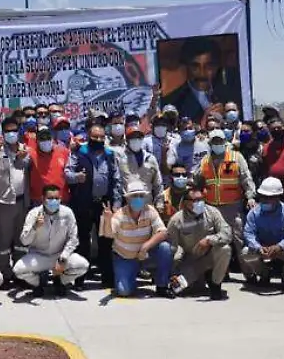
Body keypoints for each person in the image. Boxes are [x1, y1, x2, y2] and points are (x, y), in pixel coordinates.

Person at [65, 121, 124, 288]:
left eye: (101, 137)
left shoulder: (110, 154)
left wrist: (117, 202)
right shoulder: (79, 152)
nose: (98, 139)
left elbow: (117, 180)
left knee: (105, 242)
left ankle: (107, 279)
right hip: (83, 203)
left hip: (104, 204)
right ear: (88, 137)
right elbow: (67, 173)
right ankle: (79, 280)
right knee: (83, 242)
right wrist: (77, 177)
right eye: (94, 137)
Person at [101, 180, 173, 298]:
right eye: (134, 196)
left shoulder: (150, 210)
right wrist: (108, 220)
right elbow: (109, 234)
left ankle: (162, 286)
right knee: (123, 291)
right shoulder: (120, 215)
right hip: (125, 257)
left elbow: (163, 232)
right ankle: (130, 277)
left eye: (141, 196)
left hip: (145, 255)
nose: (138, 198)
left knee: (165, 248)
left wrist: (146, 246)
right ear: (128, 199)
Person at [13, 185, 90, 296]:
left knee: (83, 265)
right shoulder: (34, 213)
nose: (54, 201)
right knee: (18, 270)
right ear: (43, 199)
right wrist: (35, 227)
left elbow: (73, 239)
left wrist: (63, 258)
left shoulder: (67, 213)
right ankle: (38, 283)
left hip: (60, 254)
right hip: (39, 256)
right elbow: (24, 241)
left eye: (56, 198)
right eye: (50, 198)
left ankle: (60, 281)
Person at [0, 116, 31, 284]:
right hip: (3, 202)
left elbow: (26, 166)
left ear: (19, 131)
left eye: (14, 130)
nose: (11, 134)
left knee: (20, 240)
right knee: (3, 240)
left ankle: (20, 272)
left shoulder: (25, 149)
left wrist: (21, 157)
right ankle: (4, 274)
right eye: (8, 131)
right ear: (3, 132)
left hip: (21, 201)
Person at [167, 184, 234, 299]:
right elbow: (171, 248)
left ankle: (215, 285)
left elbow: (227, 233)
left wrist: (209, 239)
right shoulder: (176, 220)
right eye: (196, 200)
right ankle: (201, 278)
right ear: (186, 202)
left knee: (225, 249)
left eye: (201, 199)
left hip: (210, 256)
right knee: (179, 289)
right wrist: (172, 272)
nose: (200, 202)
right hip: (191, 259)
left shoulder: (212, 212)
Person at [193, 131, 256, 251]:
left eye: (220, 141)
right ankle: (220, 268)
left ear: (224, 142)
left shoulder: (236, 157)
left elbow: (246, 178)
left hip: (233, 205)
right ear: (210, 143)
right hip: (212, 206)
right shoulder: (204, 161)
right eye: (214, 142)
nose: (217, 144)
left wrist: (250, 196)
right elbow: (197, 181)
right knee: (216, 238)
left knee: (239, 237)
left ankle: (246, 268)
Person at [240, 177, 284, 290]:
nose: (265, 200)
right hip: (262, 249)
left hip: (283, 249)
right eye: (263, 197)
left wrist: (280, 246)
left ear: (278, 197)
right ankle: (264, 274)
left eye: (269, 198)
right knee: (246, 253)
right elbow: (249, 234)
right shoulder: (253, 213)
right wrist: (258, 248)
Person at [160, 38, 241, 122]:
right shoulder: (171, 103)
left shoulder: (232, 96)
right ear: (185, 67)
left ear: (217, 67)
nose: (202, 73)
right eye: (195, 66)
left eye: (209, 66)